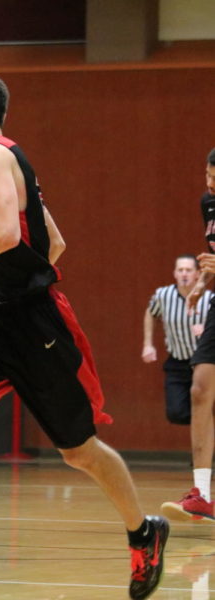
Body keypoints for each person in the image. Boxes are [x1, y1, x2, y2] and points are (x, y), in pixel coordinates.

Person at [0, 70, 167, 599]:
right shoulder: (8, 157)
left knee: (79, 450)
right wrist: (15, 274)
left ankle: (145, 532)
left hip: (33, 323)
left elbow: (3, 232)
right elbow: (56, 241)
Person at [162, 148, 215, 523]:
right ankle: (203, 493)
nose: (209, 185)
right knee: (199, 388)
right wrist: (201, 284)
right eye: (207, 176)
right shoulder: (208, 203)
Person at [142, 255, 212, 426]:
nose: (184, 274)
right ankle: (203, 423)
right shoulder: (163, 295)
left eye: (188, 270)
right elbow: (151, 313)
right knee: (176, 413)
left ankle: (205, 429)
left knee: (206, 405)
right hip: (178, 362)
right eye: (180, 270)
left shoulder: (209, 298)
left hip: (203, 363)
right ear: (174, 274)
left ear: (197, 274)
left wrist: (206, 329)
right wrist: (148, 344)